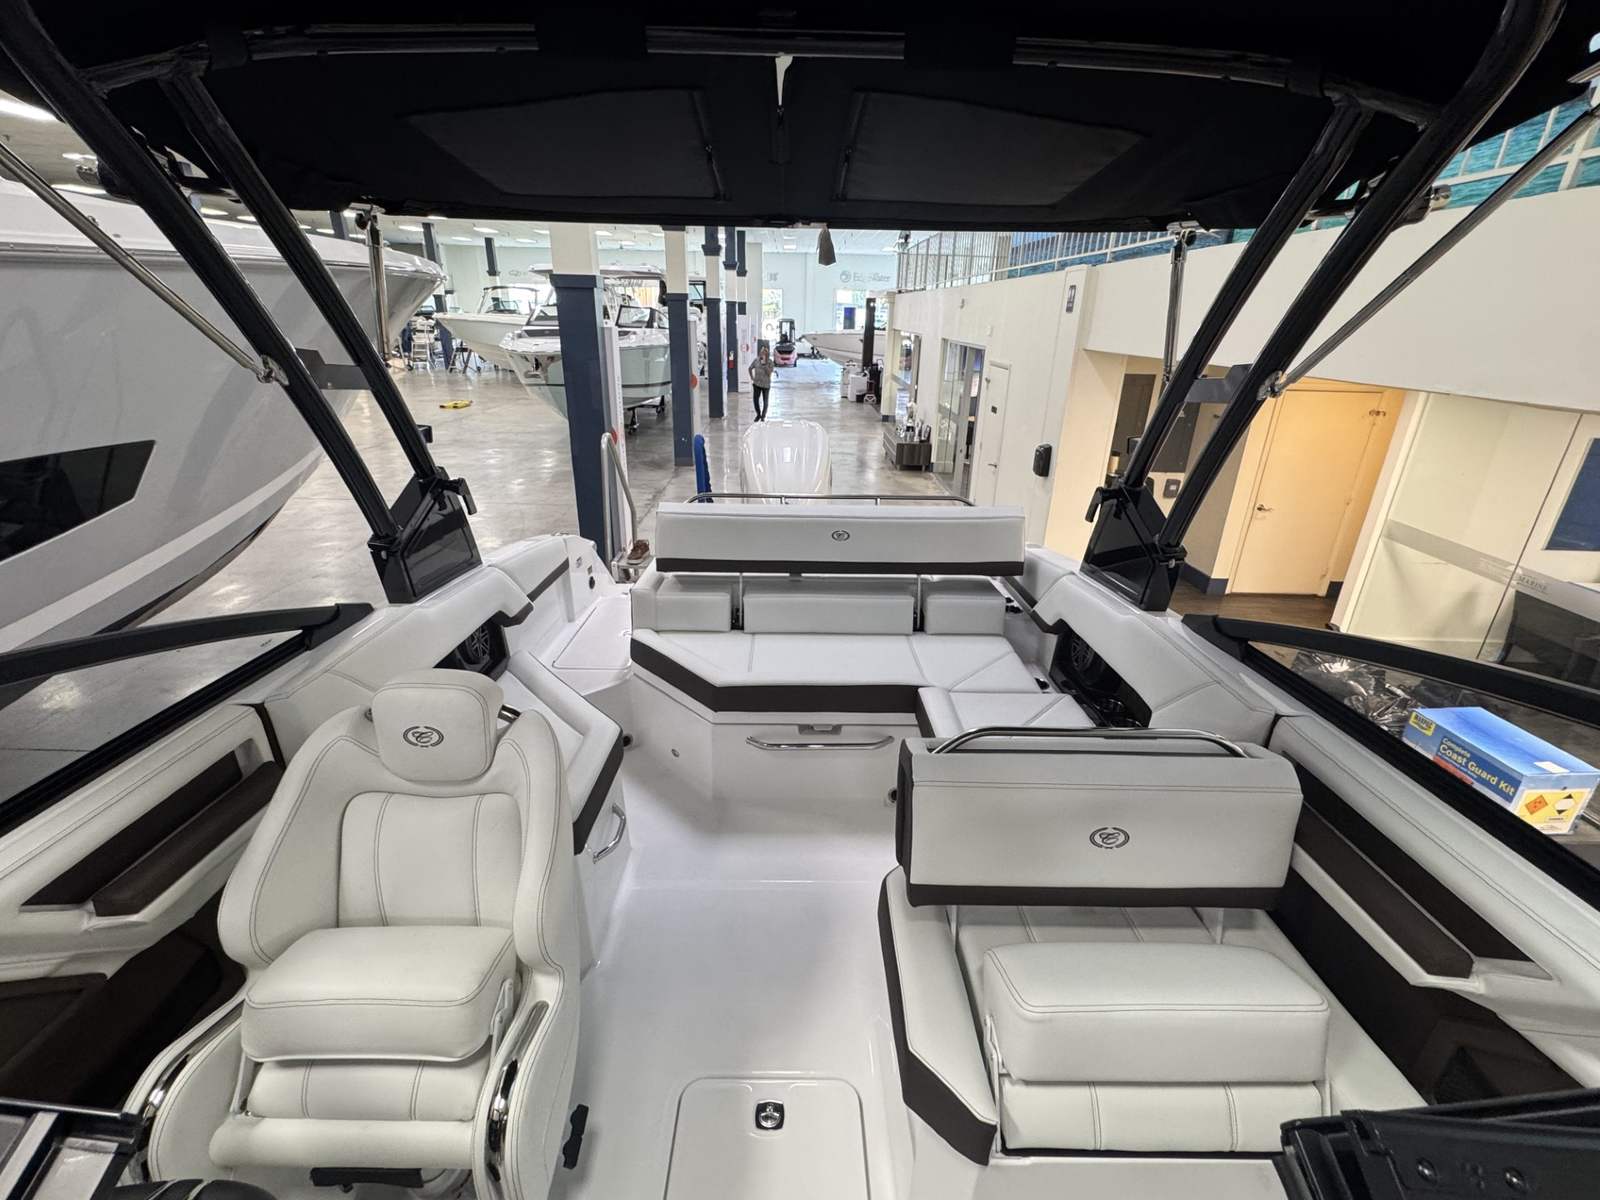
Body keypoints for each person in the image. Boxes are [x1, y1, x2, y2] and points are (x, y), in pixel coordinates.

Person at [748, 345, 773, 421]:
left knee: (765, 401)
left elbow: (769, 373)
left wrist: (765, 364)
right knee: (755, 400)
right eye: (762, 353)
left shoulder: (770, 362)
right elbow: (750, 368)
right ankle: (758, 414)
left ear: (767, 354)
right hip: (757, 384)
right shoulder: (756, 360)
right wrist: (752, 377)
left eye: (765, 353)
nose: (763, 354)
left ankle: (763, 416)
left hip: (766, 385)